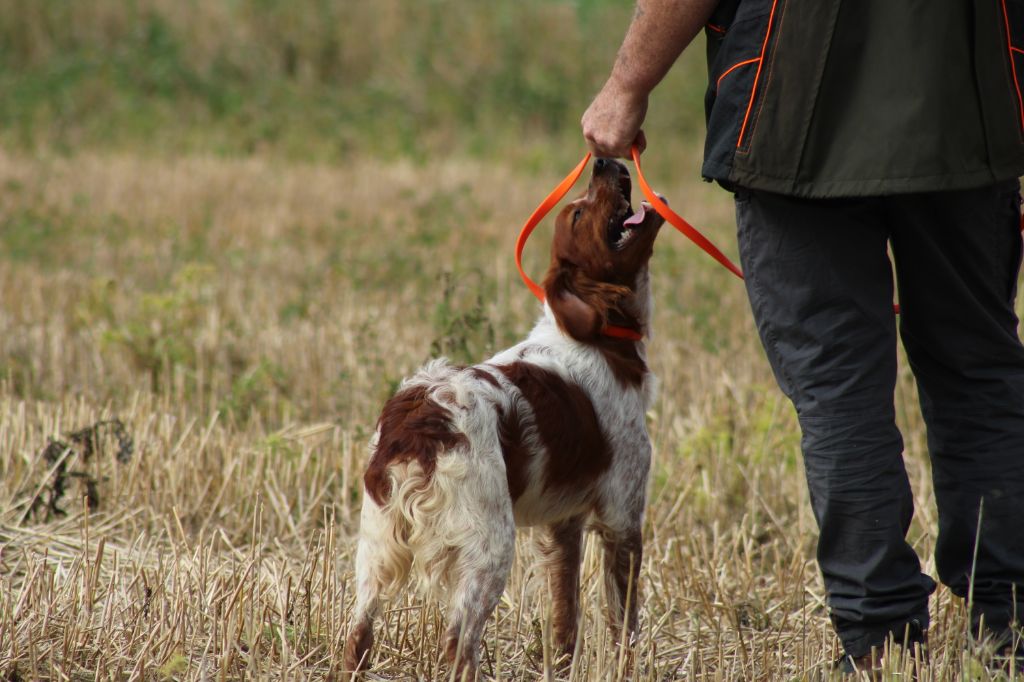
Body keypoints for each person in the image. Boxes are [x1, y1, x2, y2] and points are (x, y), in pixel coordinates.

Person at [582, 0, 1024, 674]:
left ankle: (880, 643)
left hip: (791, 113)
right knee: (979, 373)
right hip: (972, 106)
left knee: (838, 389)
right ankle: (1009, 626)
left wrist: (627, 86)